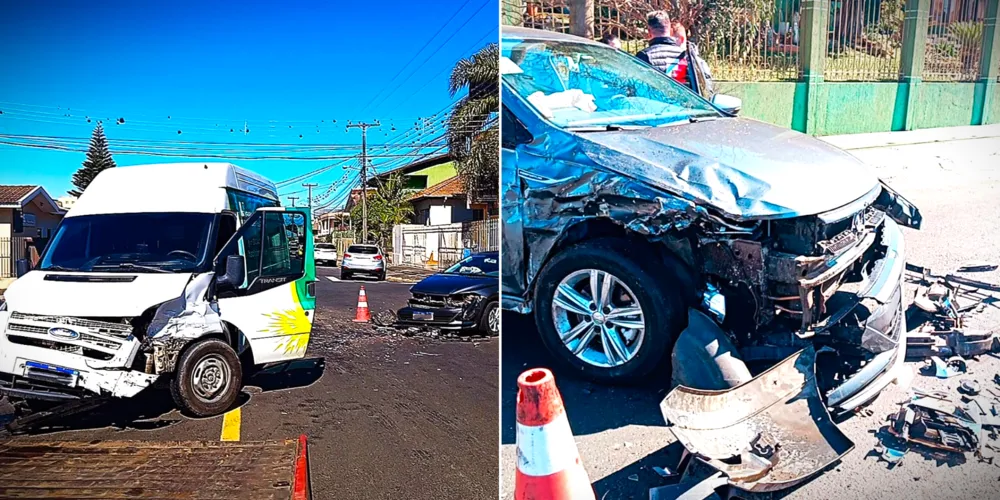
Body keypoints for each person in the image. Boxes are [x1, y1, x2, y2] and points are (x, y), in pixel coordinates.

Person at [636, 11, 690, 86]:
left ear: (649, 32)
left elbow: (638, 86)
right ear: (670, 31)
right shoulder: (686, 56)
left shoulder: (643, 56)